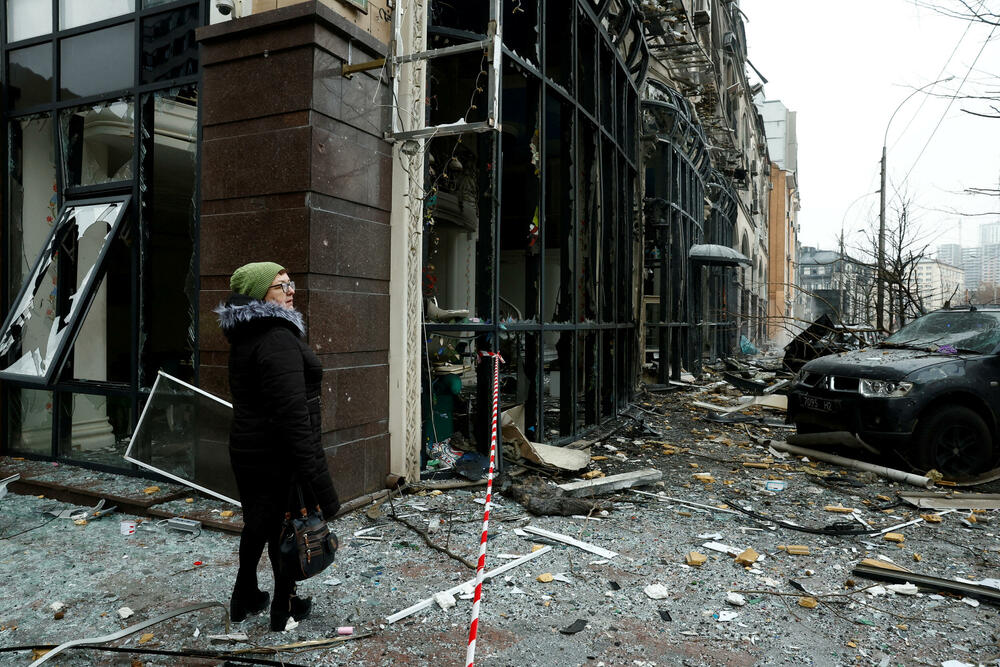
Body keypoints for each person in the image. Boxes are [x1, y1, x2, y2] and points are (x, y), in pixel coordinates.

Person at [215, 261, 340, 631]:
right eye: (279, 286)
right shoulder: (277, 338)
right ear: (259, 294)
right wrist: (312, 472)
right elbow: (291, 416)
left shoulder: (246, 334)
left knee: (257, 524)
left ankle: (244, 597)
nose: (290, 292)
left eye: (291, 284)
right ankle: (282, 610)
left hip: (248, 448)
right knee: (286, 527)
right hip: (277, 452)